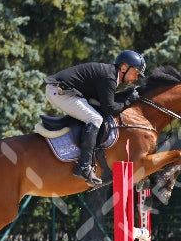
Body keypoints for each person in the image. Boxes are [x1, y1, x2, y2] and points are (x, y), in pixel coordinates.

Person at [44, 50, 146, 186]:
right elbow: (109, 109)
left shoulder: (110, 75)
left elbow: (106, 102)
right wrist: (128, 101)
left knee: (96, 114)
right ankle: (84, 166)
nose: (137, 77)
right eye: (136, 72)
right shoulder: (109, 77)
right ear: (123, 67)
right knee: (95, 118)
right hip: (60, 92)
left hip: (66, 91)